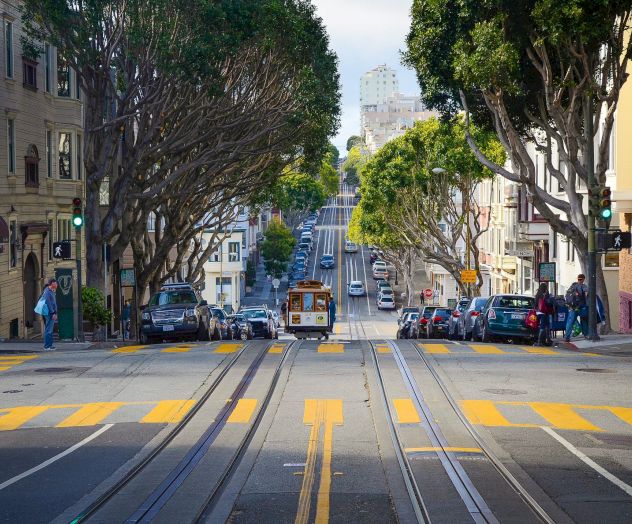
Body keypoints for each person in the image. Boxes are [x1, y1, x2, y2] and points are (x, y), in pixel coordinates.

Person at [565, 274, 588, 342]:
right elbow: (586, 295)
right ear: (583, 279)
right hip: (581, 307)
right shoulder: (584, 286)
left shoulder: (572, 286)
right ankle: (586, 334)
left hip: (572, 307)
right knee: (584, 320)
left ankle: (567, 336)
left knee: (570, 322)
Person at [42, 278, 58, 351]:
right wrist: (53, 313)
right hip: (49, 313)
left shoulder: (51, 291)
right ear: (52, 283)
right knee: (48, 329)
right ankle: (46, 346)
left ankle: (50, 345)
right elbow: (48, 303)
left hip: (51, 312)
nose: (57, 284)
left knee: (50, 329)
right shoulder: (47, 292)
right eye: (55, 283)